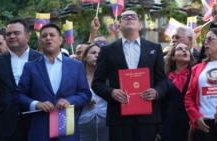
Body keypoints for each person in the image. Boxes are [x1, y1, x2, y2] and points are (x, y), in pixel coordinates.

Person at [91, 10, 167, 141]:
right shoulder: (107, 51)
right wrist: (111, 92)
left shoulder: (154, 48)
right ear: (119, 25)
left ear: (140, 25)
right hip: (119, 117)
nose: (129, 18)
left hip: (147, 118)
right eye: (125, 17)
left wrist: (156, 91)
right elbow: (97, 83)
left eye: (134, 17)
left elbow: (163, 81)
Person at [15, 23, 91, 141]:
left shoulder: (76, 65)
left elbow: (85, 93)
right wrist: (36, 104)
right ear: (40, 41)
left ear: (60, 40)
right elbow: (19, 95)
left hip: (67, 130)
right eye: (44, 36)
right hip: (40, 130)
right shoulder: (30, 67)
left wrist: (69, 101)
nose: (48, 38)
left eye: (52, 35)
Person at [0, 19, 42, 141]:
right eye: (8, 34)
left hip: (36, 123)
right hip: (5, 127)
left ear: (27, 36)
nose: (12, 36)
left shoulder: (42, 60)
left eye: (16, 33)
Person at [161, 43, 195, 141]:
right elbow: (161, 104)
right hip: (170, 124)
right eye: (180, 49)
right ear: (173, 57)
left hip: (191, 122)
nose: (184, 51)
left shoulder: (196, 75)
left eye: (186, 49)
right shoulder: (165, 78)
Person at [79, 44, 108, 141]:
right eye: (93, 53)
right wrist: (82, 99)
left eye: (99, 53)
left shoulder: (109, 78)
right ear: (85, 56)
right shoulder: (76, 78)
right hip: (82, 122)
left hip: (105, 123)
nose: (96, 55)